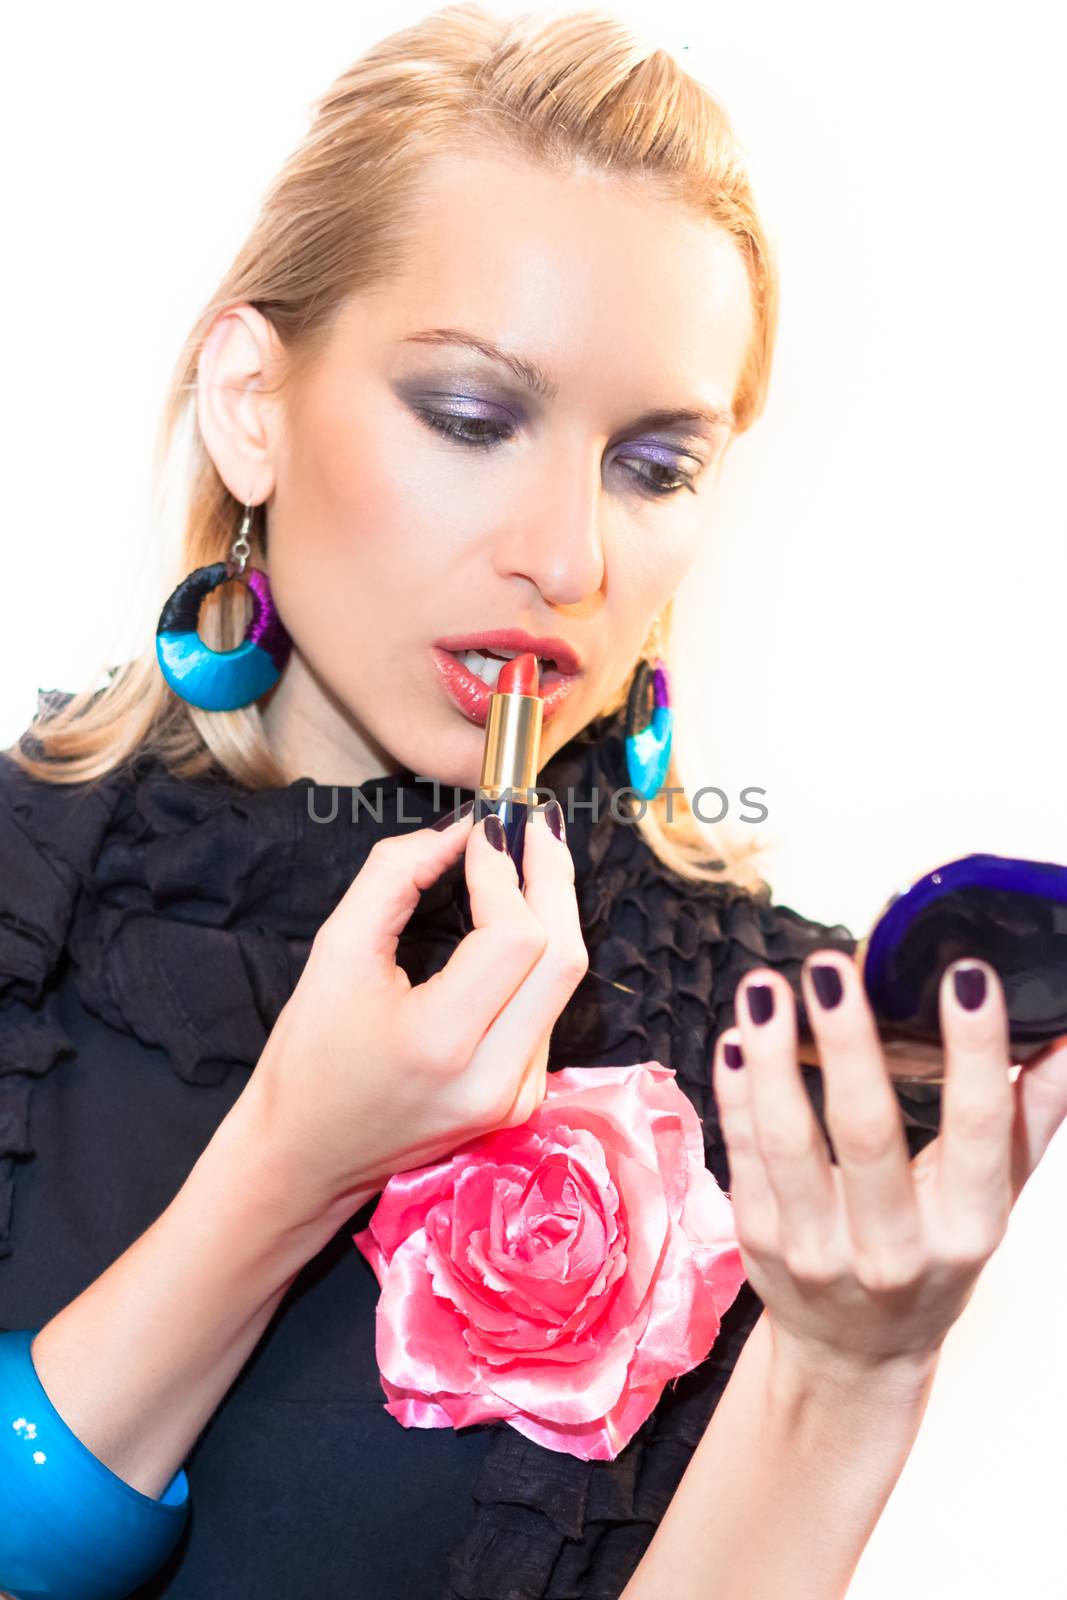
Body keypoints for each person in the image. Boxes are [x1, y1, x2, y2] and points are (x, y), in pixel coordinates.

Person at [2, 6, 1065, 1598]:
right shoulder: (32, 896)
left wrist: (845, 1379)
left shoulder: (762, 1049)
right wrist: (293, 1163)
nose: (567, 562)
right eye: (471, 417)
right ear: (250, 401)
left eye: (653, 465)